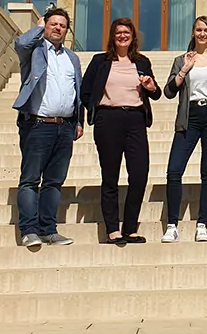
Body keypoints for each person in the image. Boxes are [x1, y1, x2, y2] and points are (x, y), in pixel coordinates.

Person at [79, 18, 159, 245]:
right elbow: (85, 92)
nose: (122, 36)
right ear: (113, 36)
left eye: (127, 32)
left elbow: (155, 92)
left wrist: (151, 87)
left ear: (133, 36)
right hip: (108, 119)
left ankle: (130, 228)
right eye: (118, 32)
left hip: (135, 120)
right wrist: (97, 109)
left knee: (139, 174)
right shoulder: (100, 61)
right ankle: (113, 229)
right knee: (110, 176)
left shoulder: (142, 61)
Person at [13, 7, 83, 250]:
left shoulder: (72, 58)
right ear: (46, 25)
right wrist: (40, 26)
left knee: (54, 182)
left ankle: (49, 230)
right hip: (38, 124)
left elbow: (78, 92)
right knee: (31, 179)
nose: (58, 28)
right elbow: (20, 43)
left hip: (64, 127)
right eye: (53, 24)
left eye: (62, 25)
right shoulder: (33, 51)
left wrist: (79, 121)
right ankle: (29, 230)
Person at [161, 16, 207, 243]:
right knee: (174, 170)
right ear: (193, 32)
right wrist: (184, 70)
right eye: (198, 30)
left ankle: (202, 224)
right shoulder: (181, 59)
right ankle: (172, 225)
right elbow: (169, 91)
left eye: (206, 30)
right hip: (188, 117)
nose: (202, 33)